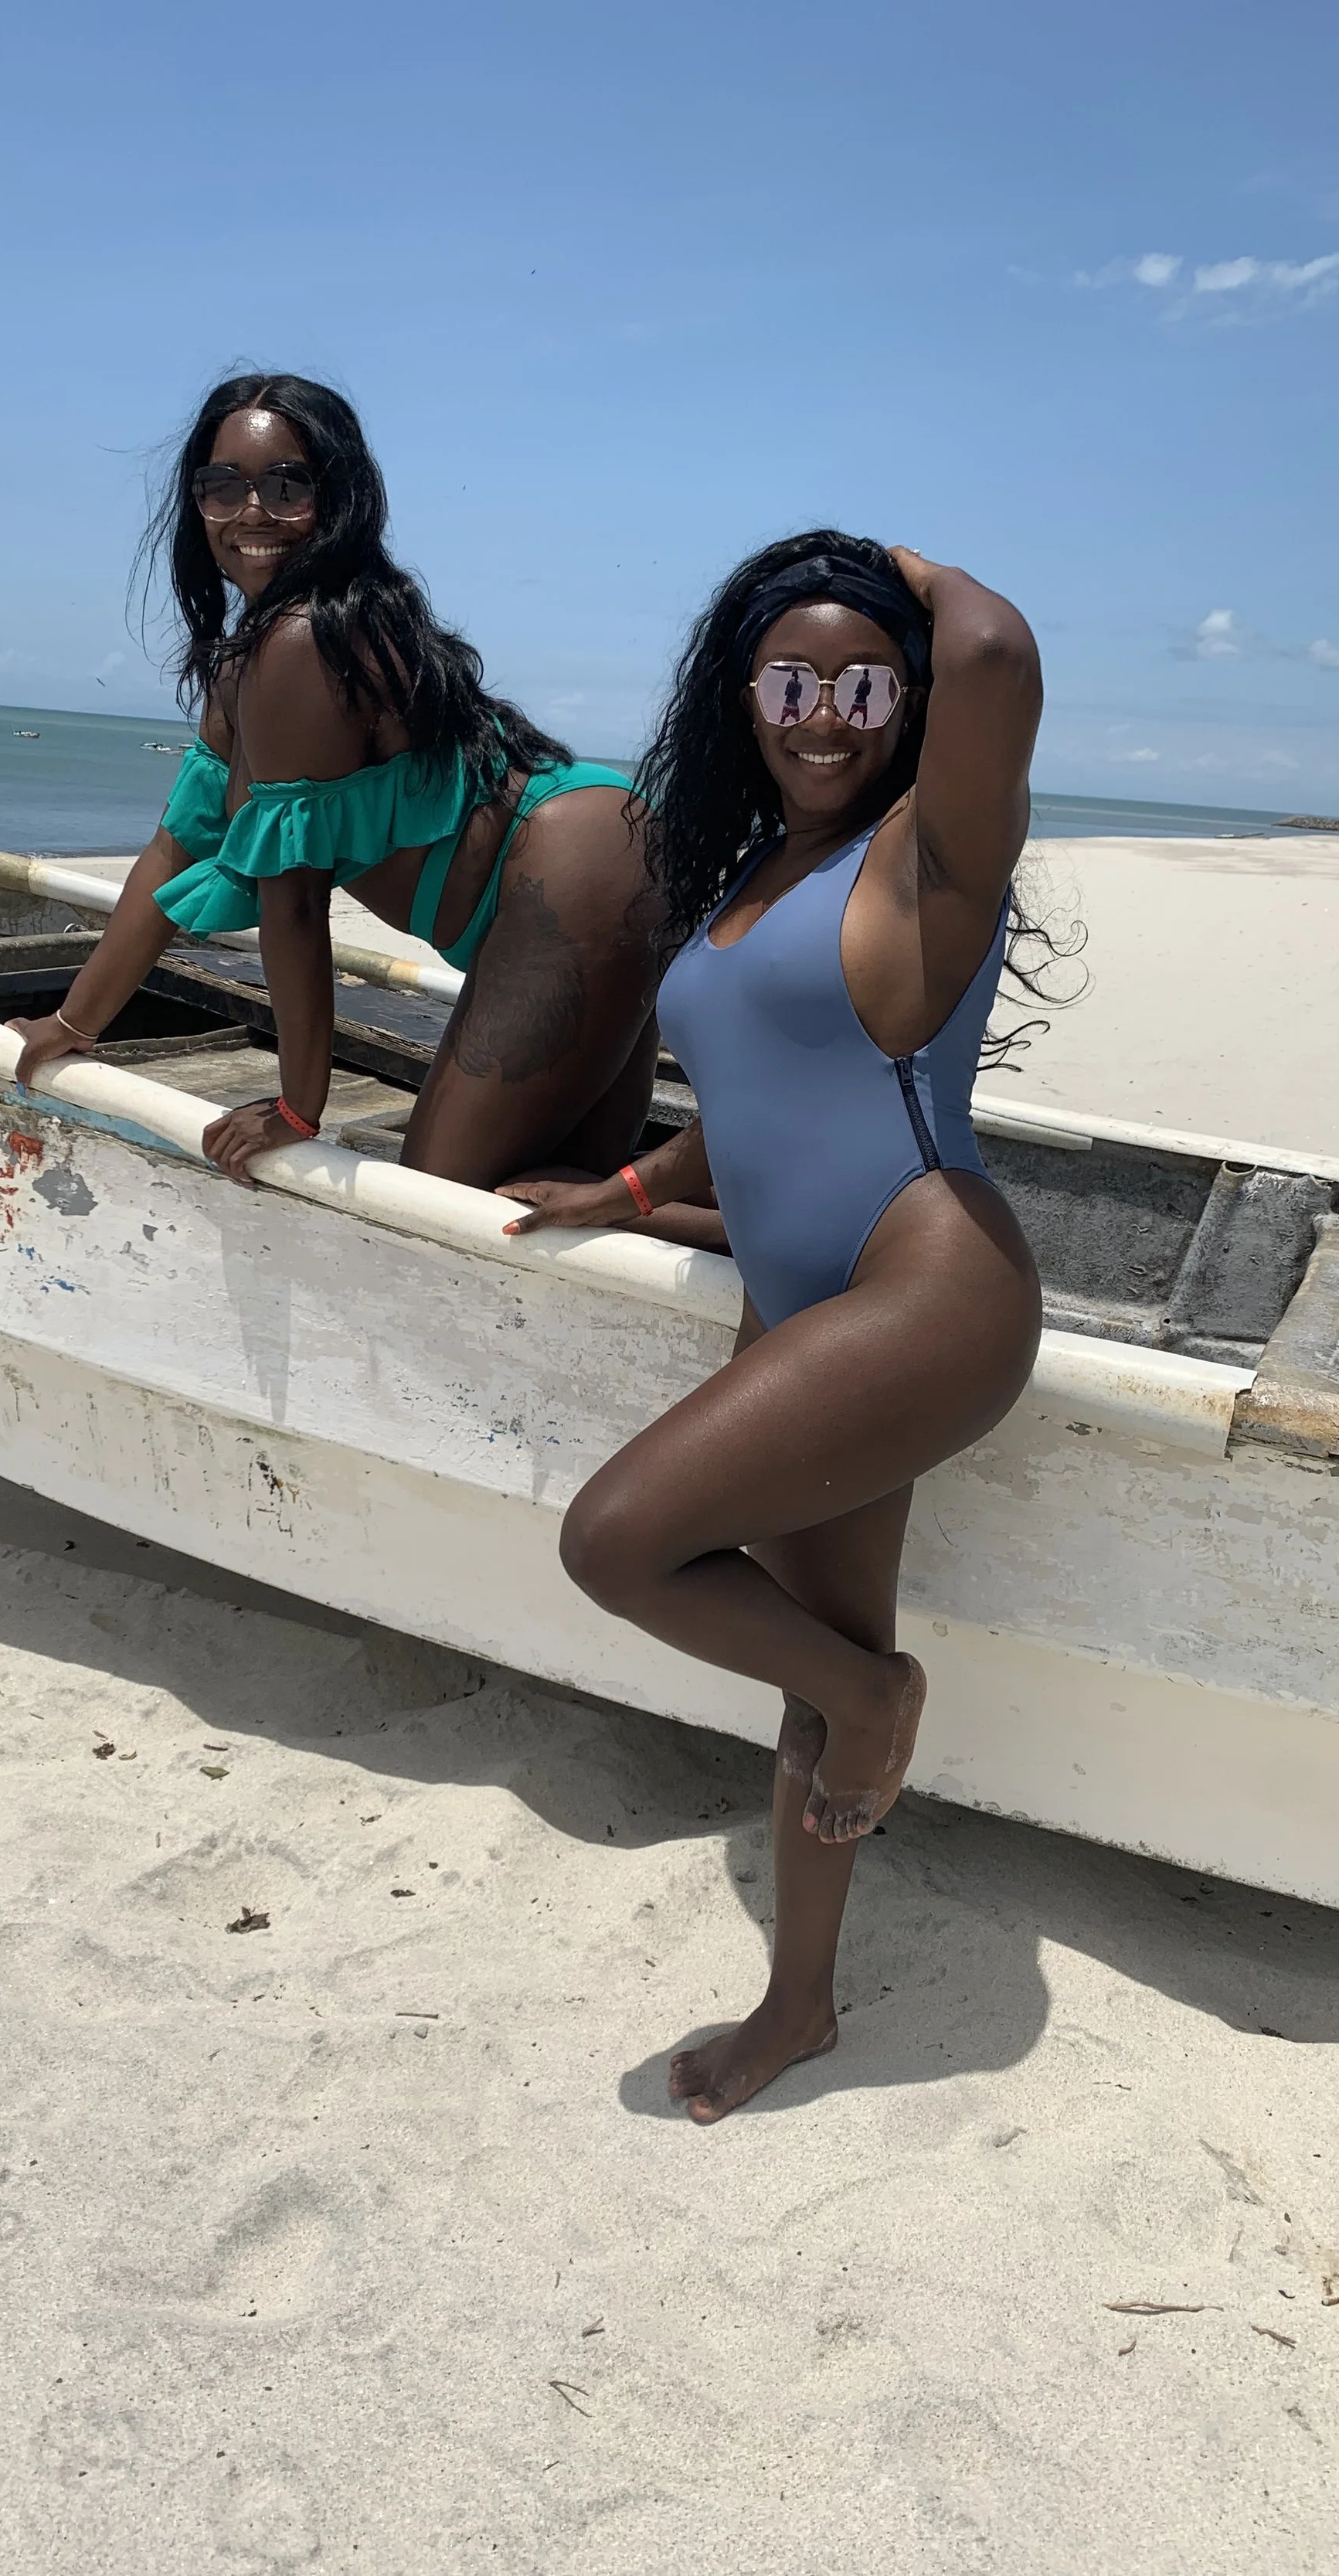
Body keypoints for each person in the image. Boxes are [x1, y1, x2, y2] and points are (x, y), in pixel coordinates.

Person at [498, 531, 1046, 2123]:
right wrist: (625, 1182)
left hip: (923, 1287)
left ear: (908, 694)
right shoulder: (752, 874)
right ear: (741, 691)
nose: (824, 712)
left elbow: (1000, 657)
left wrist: (901, 567)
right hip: (796, 1294)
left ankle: (883, 1708)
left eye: (863, 680)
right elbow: (746, 1093)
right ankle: (797, 2006)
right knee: (815, 1669)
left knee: (615, 1541)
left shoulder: (926, 852)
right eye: (789, 678)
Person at [9, 375, 663, 1189]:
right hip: (592, 858)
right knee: (564, 1186)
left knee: (435, 1198)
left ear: (340, 495)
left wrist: (295, 1106)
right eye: (222, 487)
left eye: (288, 484)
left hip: (574, 868)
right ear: (195, 503)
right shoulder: (247, 659)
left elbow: (293, 896)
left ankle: (683, 1217)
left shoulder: (301, 640)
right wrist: (72, 1024)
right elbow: (173, 852)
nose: (253, 512)